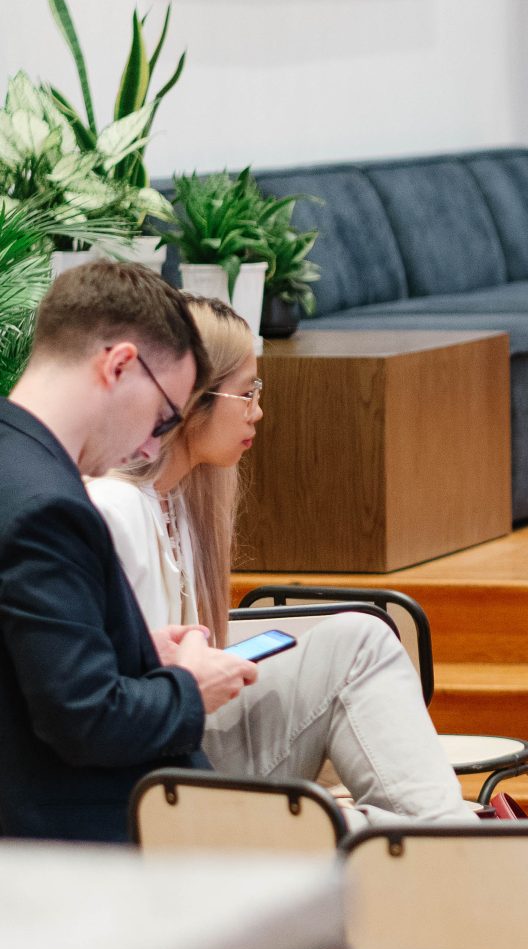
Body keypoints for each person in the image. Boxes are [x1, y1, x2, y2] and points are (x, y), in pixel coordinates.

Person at [87, 296, 470, 826]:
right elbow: (111, 700)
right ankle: (446, 841)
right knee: (369, 816)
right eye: (247, 394)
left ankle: (439, 835)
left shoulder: (181, 502)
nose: (258, 412)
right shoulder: (117, 509)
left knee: (361, 635)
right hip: (159, 777)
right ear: (191, 396)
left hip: (186, 739)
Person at [0, 262, 253, 842]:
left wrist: (136, 654)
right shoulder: (48, 508)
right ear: (119, 366)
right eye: (164, 419)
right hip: (80, 847)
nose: (149, 443)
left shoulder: (16, 460)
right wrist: (190, 688)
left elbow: (29, 672)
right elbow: (85, 720)